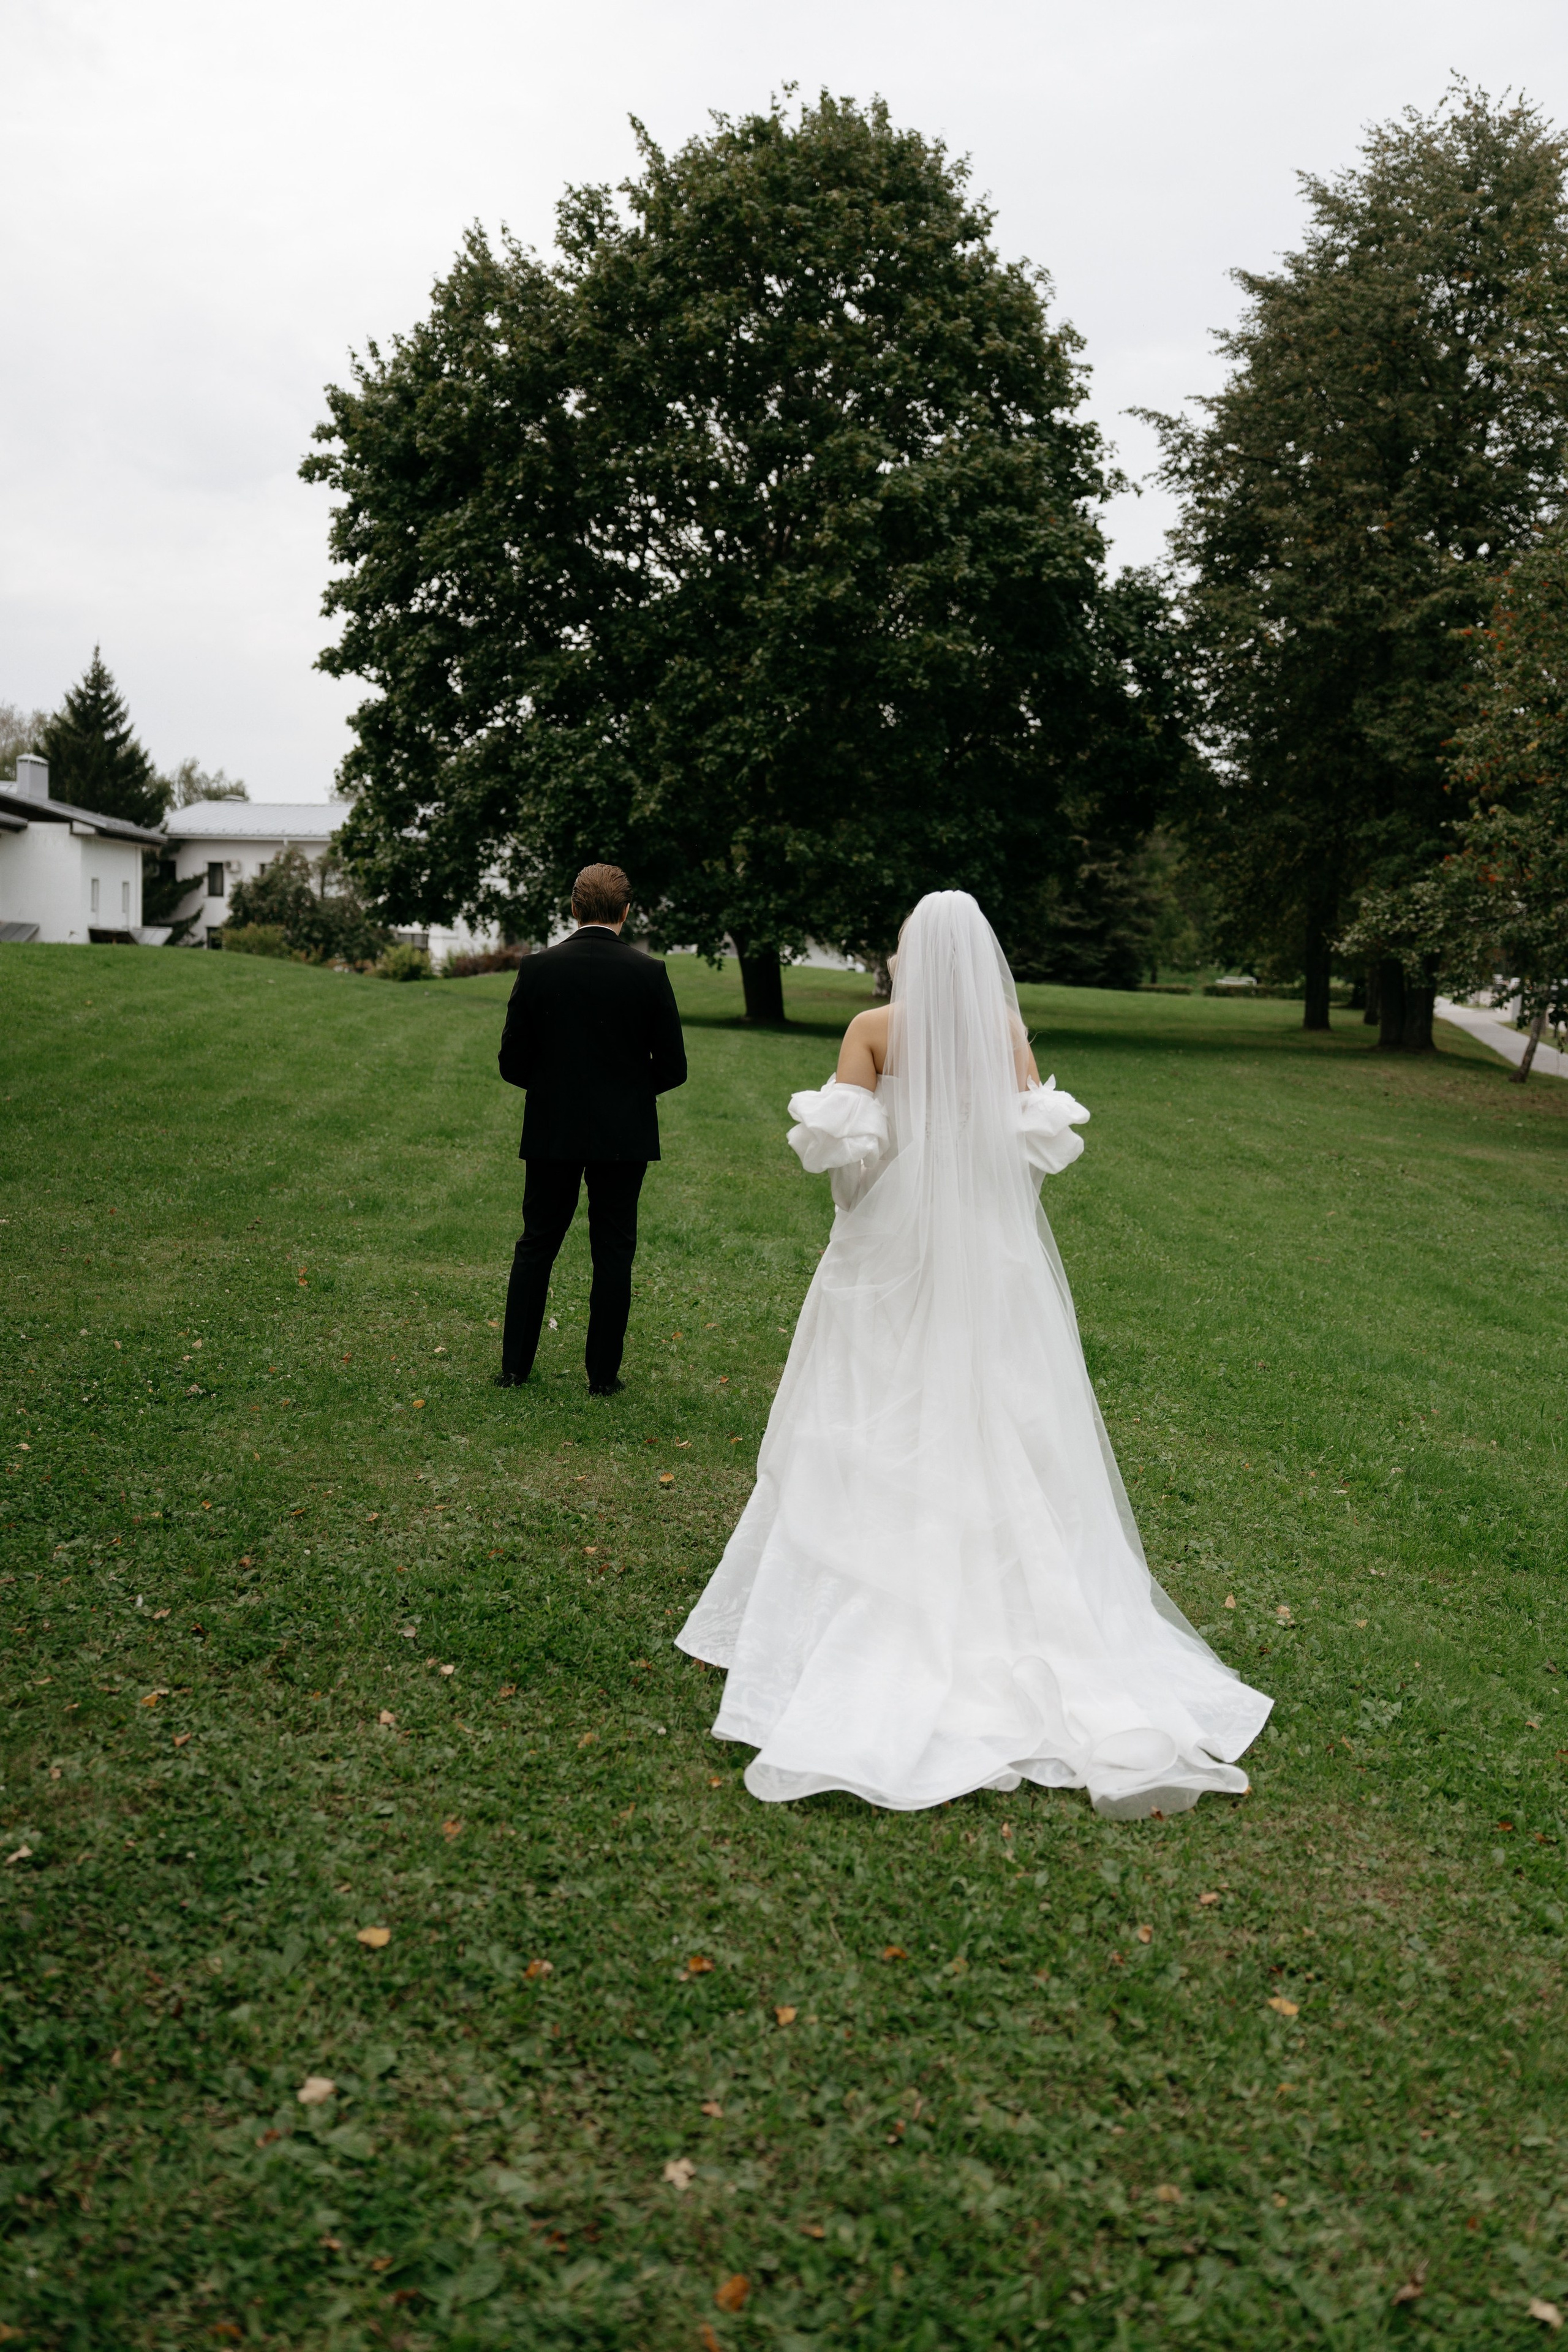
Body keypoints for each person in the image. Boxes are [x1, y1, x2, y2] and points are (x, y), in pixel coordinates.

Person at [677, 889, 1270, 1817]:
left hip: (887, 1254)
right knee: (1000, 1410)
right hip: (990, 1257)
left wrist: (871, 1217)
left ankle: (849, 1596)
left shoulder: (873, 1029)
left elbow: (847, 1159)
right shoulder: (1003, 1031)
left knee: (866, 1405)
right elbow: (1029, 1151)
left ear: (913, 952)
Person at [496, 863, 687, 1395]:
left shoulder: (537, 969)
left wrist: (554, 1089)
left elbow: (512, 1062)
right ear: (626, 911)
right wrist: (628, 1093)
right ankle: (603, 1377)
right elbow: (674, 1068)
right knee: (614, 1250)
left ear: (574, 908)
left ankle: (515, 1369)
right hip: (624, 1134)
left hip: (552, 1127)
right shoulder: (649, 973)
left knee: (537, 1243)